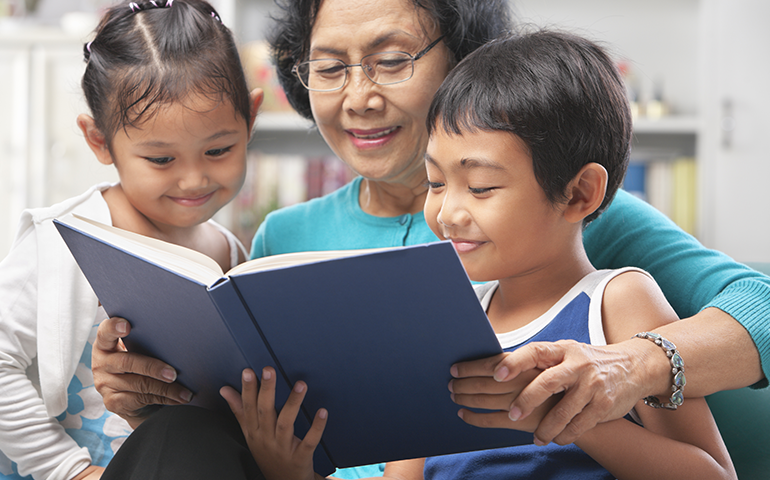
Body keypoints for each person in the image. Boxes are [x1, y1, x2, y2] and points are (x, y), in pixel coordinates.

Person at [92, 0, 769, 477]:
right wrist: (152, 391)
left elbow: (759, 308)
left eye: (391, 60)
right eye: (330, 66)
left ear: (462, 58)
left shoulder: (577, 220)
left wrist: (628, 371)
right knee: (174, 436)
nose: (359, 96)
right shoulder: (285, 235)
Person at [0, 1, 261, 479]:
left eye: (219, 149)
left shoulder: (231, 252)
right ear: (99, 141)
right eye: (161, 159)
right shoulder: (63, 240)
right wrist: (67, 470)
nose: (193, 179)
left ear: (252, 119)